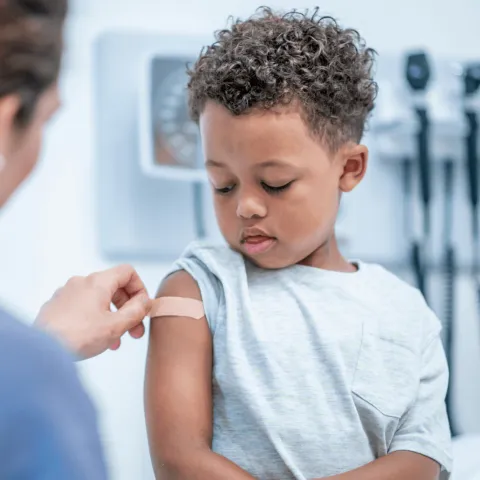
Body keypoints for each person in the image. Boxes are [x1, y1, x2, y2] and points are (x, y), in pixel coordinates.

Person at [145, 7, 452, 480]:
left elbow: (421, 458)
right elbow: (179, 459)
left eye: (275, 183)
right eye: (223, 185)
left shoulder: (406, 313)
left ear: (349, 169)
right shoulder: (197, 290)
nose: (245, 206)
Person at [0, 1, 151, 477]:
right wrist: (37, 360)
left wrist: (47, 345)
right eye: (47, 119)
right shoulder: (27, 383)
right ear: (6, 125)